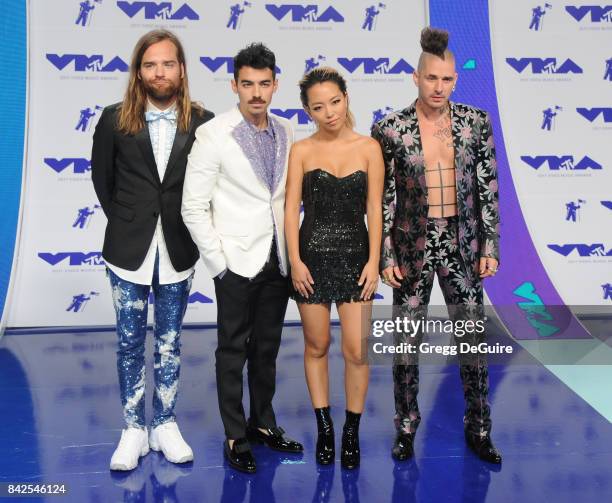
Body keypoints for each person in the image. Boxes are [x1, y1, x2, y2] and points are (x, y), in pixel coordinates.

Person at [371, 27, 502, 464]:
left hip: (463, 245)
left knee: (471, 340)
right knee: (406, 342)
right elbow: (384, 196)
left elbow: (487, 188)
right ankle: (405, 427)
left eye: (446, 80)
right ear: (415, 77)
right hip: (412, 246)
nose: (439, 87)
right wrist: (386, 254)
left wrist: (491, 246)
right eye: (431, 79)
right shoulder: (390, 129)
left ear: (455, 80)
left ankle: (479, 427)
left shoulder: (475, 123)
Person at [91, 29, 214, 471]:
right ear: (138, 72)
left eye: (168, 63)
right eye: (150, 64)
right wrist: (130, 222)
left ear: (181, 69)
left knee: (169, 342)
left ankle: (164, 423)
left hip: (178, 250)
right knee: (127, 343)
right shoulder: (113, 120)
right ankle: (132, 430)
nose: (159, 72)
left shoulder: (204, 121)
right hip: (128, 250)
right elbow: (103, 182)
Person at [182, 42, 303, 474]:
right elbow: (192, 207)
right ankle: (235, 434)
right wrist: (219, 264)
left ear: (275, 85)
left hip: (278, 260)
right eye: (247, 84)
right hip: (234, 261)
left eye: (264, 84)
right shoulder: (212, 134)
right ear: (234, 85)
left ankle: (263, 424)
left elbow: (285, 198)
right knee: (232, 350)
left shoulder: (289, 131)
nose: (256, 93)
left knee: (267, 348)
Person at [285, 67, 384, 469]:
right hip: (311, 257)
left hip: (357, 256)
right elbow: (291, 209)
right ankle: (325, 426)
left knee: (357, 350)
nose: (330, 112)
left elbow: (375, 208)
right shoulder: (302, 151)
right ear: (308, 111)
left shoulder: (369, 148)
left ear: (346, 97)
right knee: (317, 345)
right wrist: (294, 260)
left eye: (336, 102)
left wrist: (374, 260)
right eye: (319, 107)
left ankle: (350, 432)